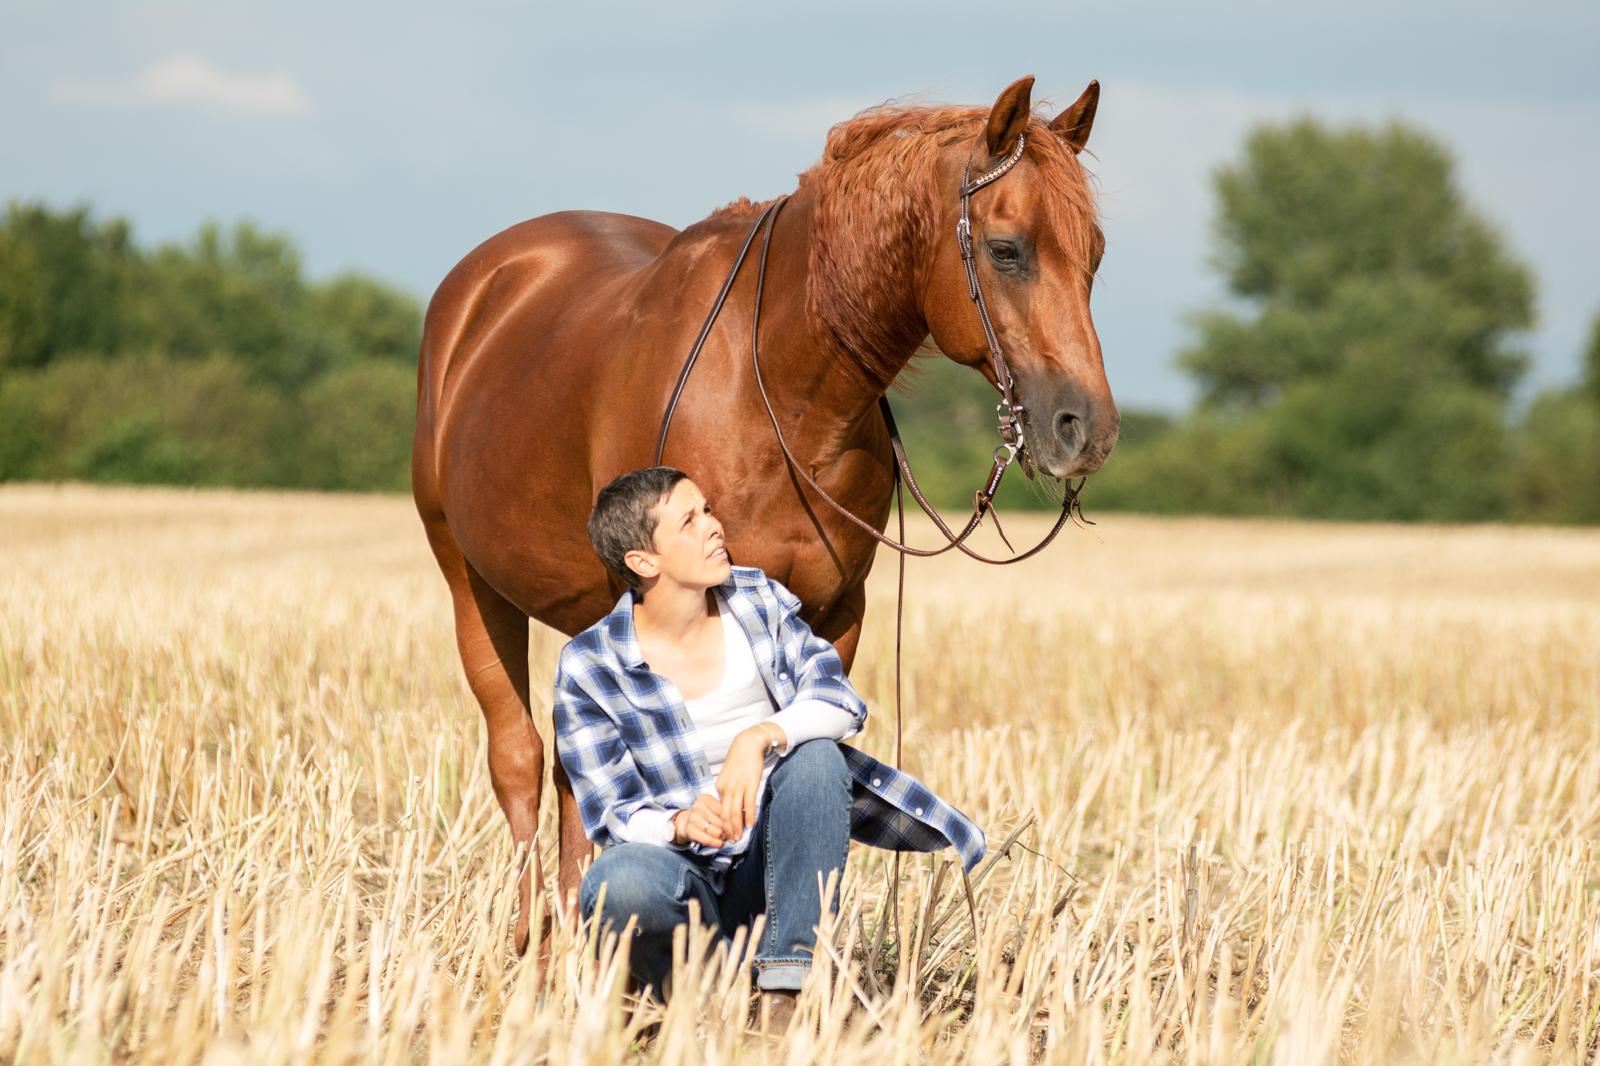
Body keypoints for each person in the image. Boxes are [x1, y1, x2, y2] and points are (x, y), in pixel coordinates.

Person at [553, 466, 985, 1033]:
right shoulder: (590, 666)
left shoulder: (755, 601)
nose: (714, 527)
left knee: (817, 759)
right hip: (679, 877)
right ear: (644, 561)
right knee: (620, 881)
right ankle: (700, 995)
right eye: (689, 521)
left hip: (772, 872)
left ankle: (788, 993)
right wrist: (678, 824)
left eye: (708, 510)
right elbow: (612, 813)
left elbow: (838, 699)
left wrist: (758, 737)